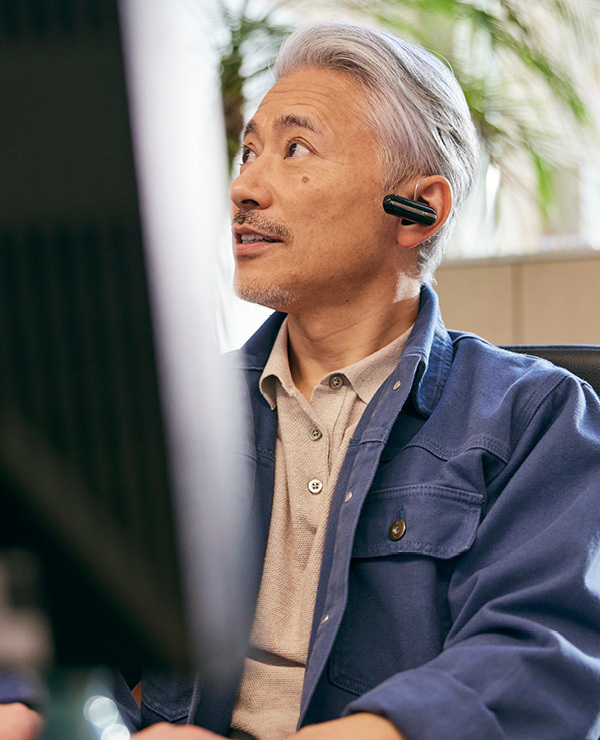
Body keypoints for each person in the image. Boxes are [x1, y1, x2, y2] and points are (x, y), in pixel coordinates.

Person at [4, 18, 600, 740]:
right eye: (248, 150)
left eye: (295, 148)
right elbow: (59, 619)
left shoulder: (536, 415)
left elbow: (535, 663)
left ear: (419, 209)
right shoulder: (177, 411)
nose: (245, 187)